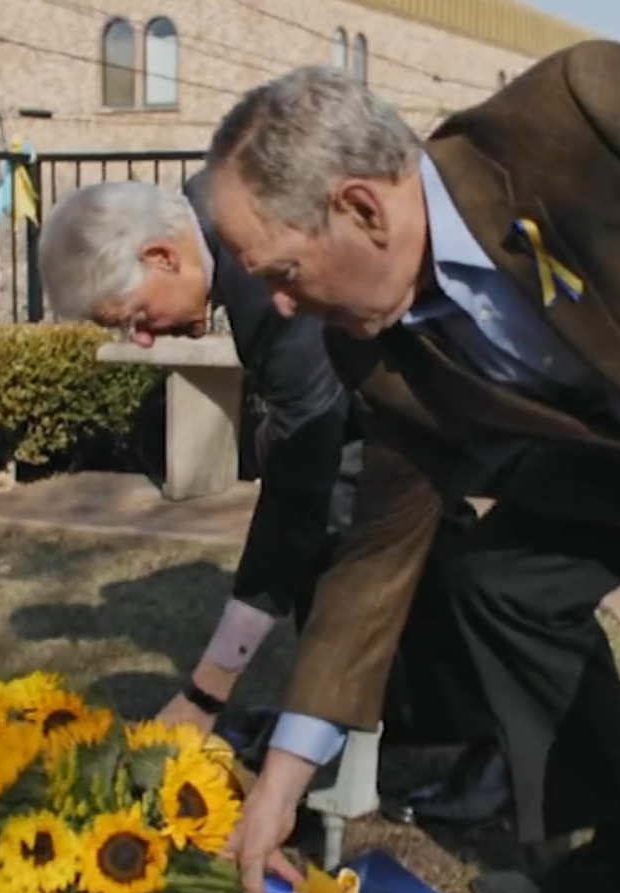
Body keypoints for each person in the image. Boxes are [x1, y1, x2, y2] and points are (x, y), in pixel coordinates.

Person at [198, 43, 620, 893]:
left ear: (361, 210)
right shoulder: (374, 353)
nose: (277, 304)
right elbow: (378, 557)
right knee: (499, 582)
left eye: (283, 272)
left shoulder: (580, 114)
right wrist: (282, 778)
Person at [35, 177, 515, 823]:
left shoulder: (258, 269)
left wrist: (206, 693)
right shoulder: (210, 211)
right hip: (392, 394)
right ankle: (380, 715)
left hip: (485, 365)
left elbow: (298, 493)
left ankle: (510, 747)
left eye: (132, 317)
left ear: (161, 256)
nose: (142, 339)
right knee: (339, 530)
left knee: (386, 534)